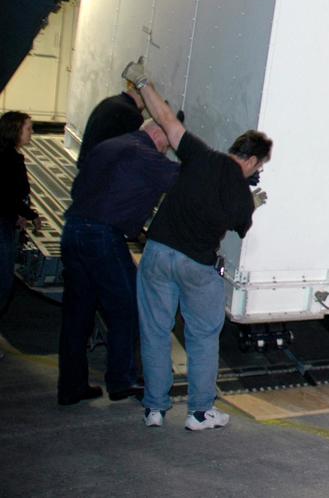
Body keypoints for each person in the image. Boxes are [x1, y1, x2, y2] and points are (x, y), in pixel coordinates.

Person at [122, 58, 272, 431]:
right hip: (197, 264)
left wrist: (142, 81)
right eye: (259, 166)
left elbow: (167, 120)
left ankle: (155, 409)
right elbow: (240, 225)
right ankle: (200, 412)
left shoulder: (200, 154)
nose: (257, 172)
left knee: (155, 331)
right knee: (203, 336)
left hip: (157, 253)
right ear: (251, 160)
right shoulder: (240, 189)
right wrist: (250, 201)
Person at [57, 121, 178, 405]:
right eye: (168, 144)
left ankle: (71, 387)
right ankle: (122, 379)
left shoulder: (108, 146)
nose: (166, 150)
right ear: (157, 133)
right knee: (129, 306)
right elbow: (182, 179)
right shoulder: (143, 153)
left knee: (77, 315)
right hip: (102, 235)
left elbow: (79, 188)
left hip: (73, 231)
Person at [2, 112, 43, 324]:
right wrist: (30, 215)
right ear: (15, 130)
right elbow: (10, 194)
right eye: (29, 128)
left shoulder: (9, 155)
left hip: (7, 219)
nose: (32, 133)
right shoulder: (10, 159)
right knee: (3, 282)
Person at [78, 87, 144, 166]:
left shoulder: (111, 101)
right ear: (141, 95)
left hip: (87, 160)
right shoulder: (132, 113)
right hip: (101, 168)